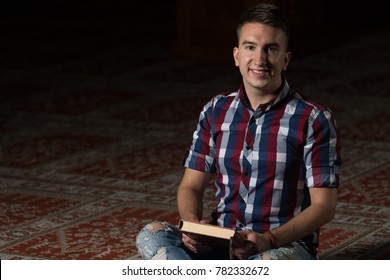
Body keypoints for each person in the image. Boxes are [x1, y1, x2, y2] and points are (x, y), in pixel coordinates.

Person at [136, 3, 341, 260]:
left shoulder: (313, 119)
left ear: (286, 59)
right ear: (236, 55)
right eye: (250, 47)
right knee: (151, 234)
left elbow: (325, 207)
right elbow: (190, 185)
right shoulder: (215, 110)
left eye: (271, 49)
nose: (260, 59)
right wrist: (193, 228)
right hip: (222, 239)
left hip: (280, 247)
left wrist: (269, 240)